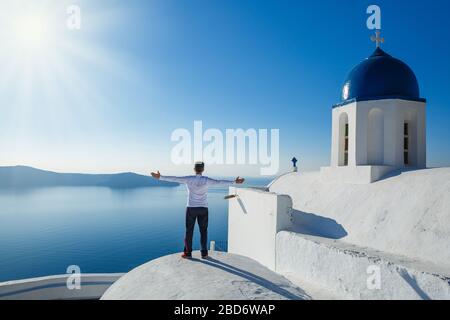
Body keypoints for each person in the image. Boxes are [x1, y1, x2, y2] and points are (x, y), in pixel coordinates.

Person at [151, 161, 244, 259]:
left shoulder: (189, 179)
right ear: (203, 170)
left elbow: (175, 178)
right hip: (203, 209)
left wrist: (160, 177)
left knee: (189, 231)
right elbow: (220, 182)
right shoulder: (206, 180)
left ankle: (187, 253)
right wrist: (234, 181)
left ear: (194, 169)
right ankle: (204, 253)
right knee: (203, 231)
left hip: (191, 208)